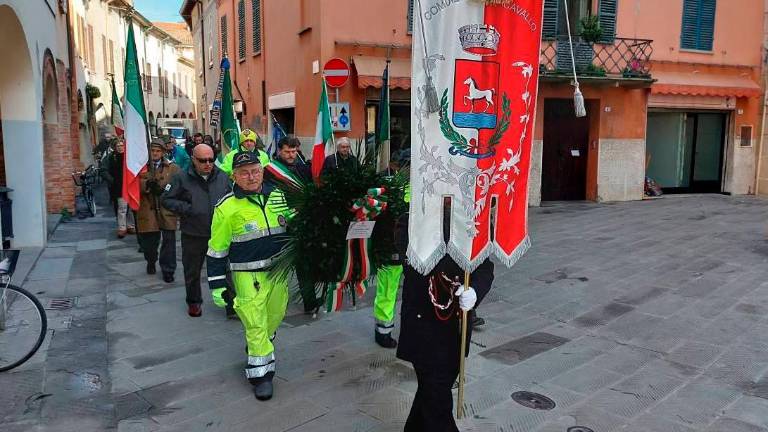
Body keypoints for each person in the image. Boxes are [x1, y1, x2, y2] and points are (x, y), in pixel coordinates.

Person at [206, 151, 291, 400]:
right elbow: (216, 249)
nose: (251, 177)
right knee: (254, 323)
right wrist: (217, 284)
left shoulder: (278, 196)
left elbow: (292, 225)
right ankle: (261, 375)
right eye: (244, 173)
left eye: (255, 171)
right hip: (247, 276)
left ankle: (261, 341)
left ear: (262, 171)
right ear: (234, 176)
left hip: (278, 272)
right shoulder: (226, 208)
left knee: (275, 315)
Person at [161, 143, 233, 318]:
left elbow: (233, 198)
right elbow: (166, 199)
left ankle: (231, 304)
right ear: (194, 159)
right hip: (193, 233)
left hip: (220, 234)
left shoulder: (223, 177)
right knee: (192, 271)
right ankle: (194, 302)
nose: (208, 164)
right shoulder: (181, 177)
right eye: (203, 160)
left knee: (228, 271)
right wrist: (188, 208)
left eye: (211, 159)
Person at [264, 135, 319, 312]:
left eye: (294, 151)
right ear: (279, 151)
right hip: (280, 223)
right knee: (278, 264)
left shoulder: (304, 168)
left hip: (301, 222)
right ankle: (273, 299)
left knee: (304, 264)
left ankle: (309, 301)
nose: (290, 155)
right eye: (287, 151)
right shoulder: (270, 170)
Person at [137, 139, 180, 283]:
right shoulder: (141, 167)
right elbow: (132, 184)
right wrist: (147, 184)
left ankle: (168, 270)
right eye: (152, 151)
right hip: (148, 208)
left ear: (163, 152)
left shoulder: (172, 167)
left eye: (158, 151)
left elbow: (179, 183)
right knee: (149, 243)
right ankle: (150, 260)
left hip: (166, 208)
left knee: (169, 242)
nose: (155, 154)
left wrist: (166, 190)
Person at [101, 138, 136, 238]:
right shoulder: (110, 158)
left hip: (130, 185)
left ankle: (131, 225)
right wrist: (112, 180)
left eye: (122, 145)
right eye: (118, 146)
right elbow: (103, 170)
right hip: (118, 186)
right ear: (115, 147)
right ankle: (122, 227)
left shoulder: (129, 157)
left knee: (131, 207)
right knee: (122, 208)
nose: (120, 148)